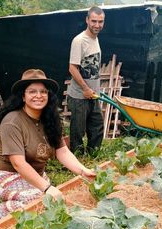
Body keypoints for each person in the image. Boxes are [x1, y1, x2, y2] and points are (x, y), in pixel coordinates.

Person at [0, 69, 96, 224]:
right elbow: (18, 163)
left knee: (50, 203)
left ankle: (16, 205)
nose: (38, 96)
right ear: (23, 96)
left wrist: (83, 171)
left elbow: (63, 152)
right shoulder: (12, 121)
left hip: (33, 174)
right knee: (39, 200)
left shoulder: (49, 120)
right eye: (32, 91)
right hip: (5, 174)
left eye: (43, 92)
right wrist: (47, 188)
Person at [67, 6, 105, 155]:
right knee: (78, 130)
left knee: (97, 126)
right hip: (79, 96)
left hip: (92, 94)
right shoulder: (79, 40)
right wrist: (85, 89)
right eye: (94, 21)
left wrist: (94, 90)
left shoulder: (95, 39)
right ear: (87, 20)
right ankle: (76, 159)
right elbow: (72, 68)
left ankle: (93, 155)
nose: (97, 25)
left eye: (100, 21)